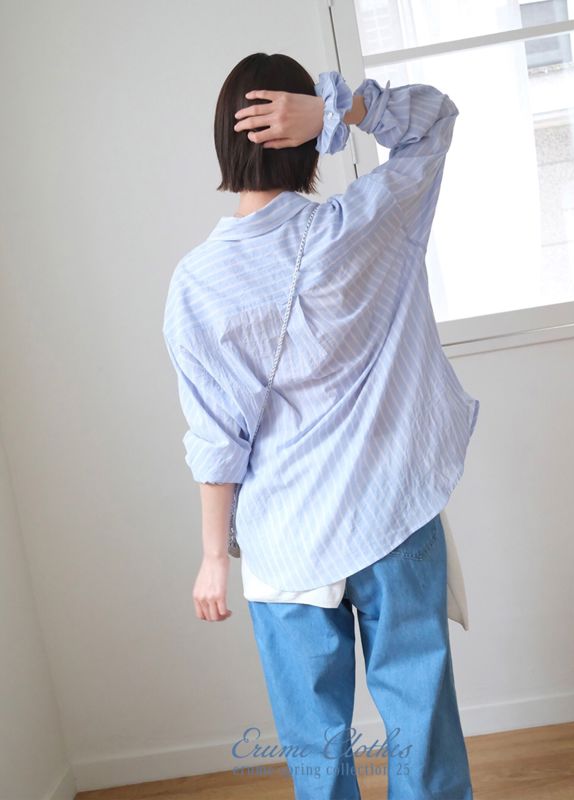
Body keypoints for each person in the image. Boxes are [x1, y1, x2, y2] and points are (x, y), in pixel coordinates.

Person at [163, 51, 479, 800]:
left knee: (315, 748)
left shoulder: (196, 282)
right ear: (307, 140)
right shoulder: (367, 222)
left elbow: (216, 436)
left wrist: (212, 556)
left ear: (225, 141)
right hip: (391, 513)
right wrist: (346, 110)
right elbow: (434, 120)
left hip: (286, 538)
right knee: (420, 717)